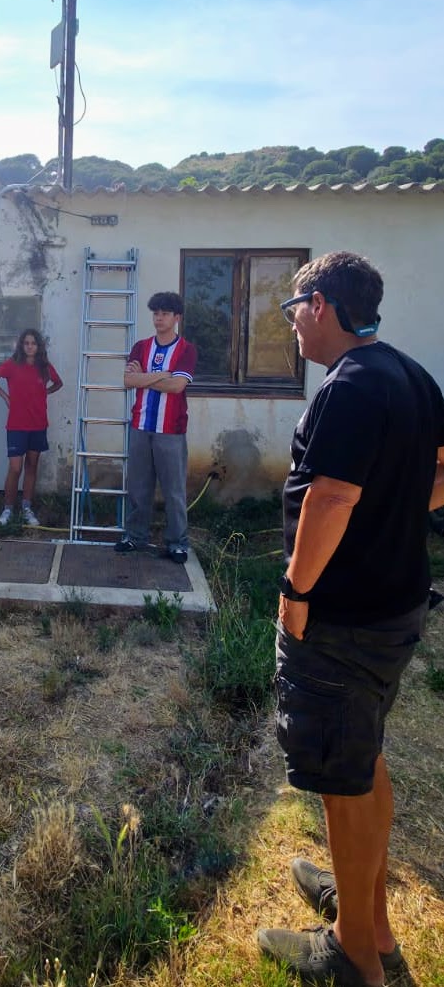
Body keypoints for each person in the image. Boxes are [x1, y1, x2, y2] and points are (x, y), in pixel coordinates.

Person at [258, 251, 444, 987]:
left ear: (321, 305)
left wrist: (296, 589)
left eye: (293, 307)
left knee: (343, 776)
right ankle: (367, 918)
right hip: (395, 606)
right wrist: (399, 507)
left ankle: (355, 960)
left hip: (341, 617)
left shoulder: (349, 388)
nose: (291, 323)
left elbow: (329, 499)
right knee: (361, 760)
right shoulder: (409, 374)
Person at [114, 291, 196, 563]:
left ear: (176, 317)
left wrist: (143, 378)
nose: (158, 318)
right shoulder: (141, 347)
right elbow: (127, 381)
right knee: (138, 487)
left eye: (164, 314)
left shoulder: (186, 349)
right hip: (140, 426)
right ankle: (135, 537)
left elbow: (177, 386)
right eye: (155, 313)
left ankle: (177, 543)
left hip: (171, 429)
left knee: (174, 491)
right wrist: (161, 375)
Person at [0, 329, 63, 527]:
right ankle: (8, 509)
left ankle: (27, 507)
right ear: (22, 345)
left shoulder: (44, 367)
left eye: (33, 343)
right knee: (15, 468)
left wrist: (45, 392)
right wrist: (6, 397)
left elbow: (58, 383)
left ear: (38, 347)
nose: (30, 346)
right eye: (26, 343)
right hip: (16, 425)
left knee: (31, 466)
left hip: (38, 424)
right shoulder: (12, 365)